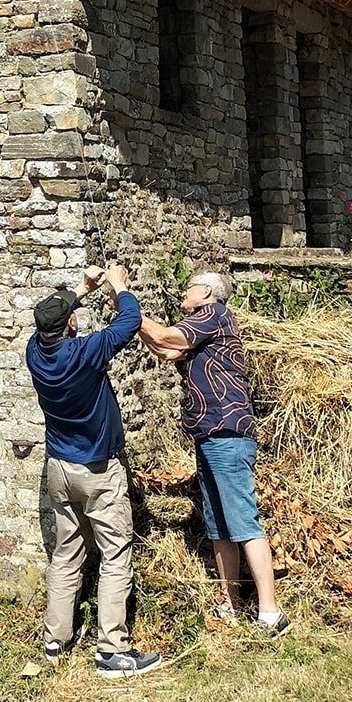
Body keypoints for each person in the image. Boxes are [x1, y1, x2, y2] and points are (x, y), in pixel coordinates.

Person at [26, 263, 162, 678]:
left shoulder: (35, 351)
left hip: (60, 469)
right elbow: (129, 322)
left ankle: (56, 641)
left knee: (67, 553)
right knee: (115, 554)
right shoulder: (84, 353)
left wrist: (83, 289)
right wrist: (119, 286)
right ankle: (111, 650)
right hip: (98, 470)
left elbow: (55, 318)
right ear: (71, 324)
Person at [137, 270, 290, 638]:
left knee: (243, 521)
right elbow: (164, 348)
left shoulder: (214, 315)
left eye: (188, 288)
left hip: (227, 433)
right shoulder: (201, 327)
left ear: (205, 292)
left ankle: (271, 612)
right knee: (219, 524)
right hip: (208, 435)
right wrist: (129, 315)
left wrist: (126, 299)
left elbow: (165, 335)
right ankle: (230, 604)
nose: (183, 294)